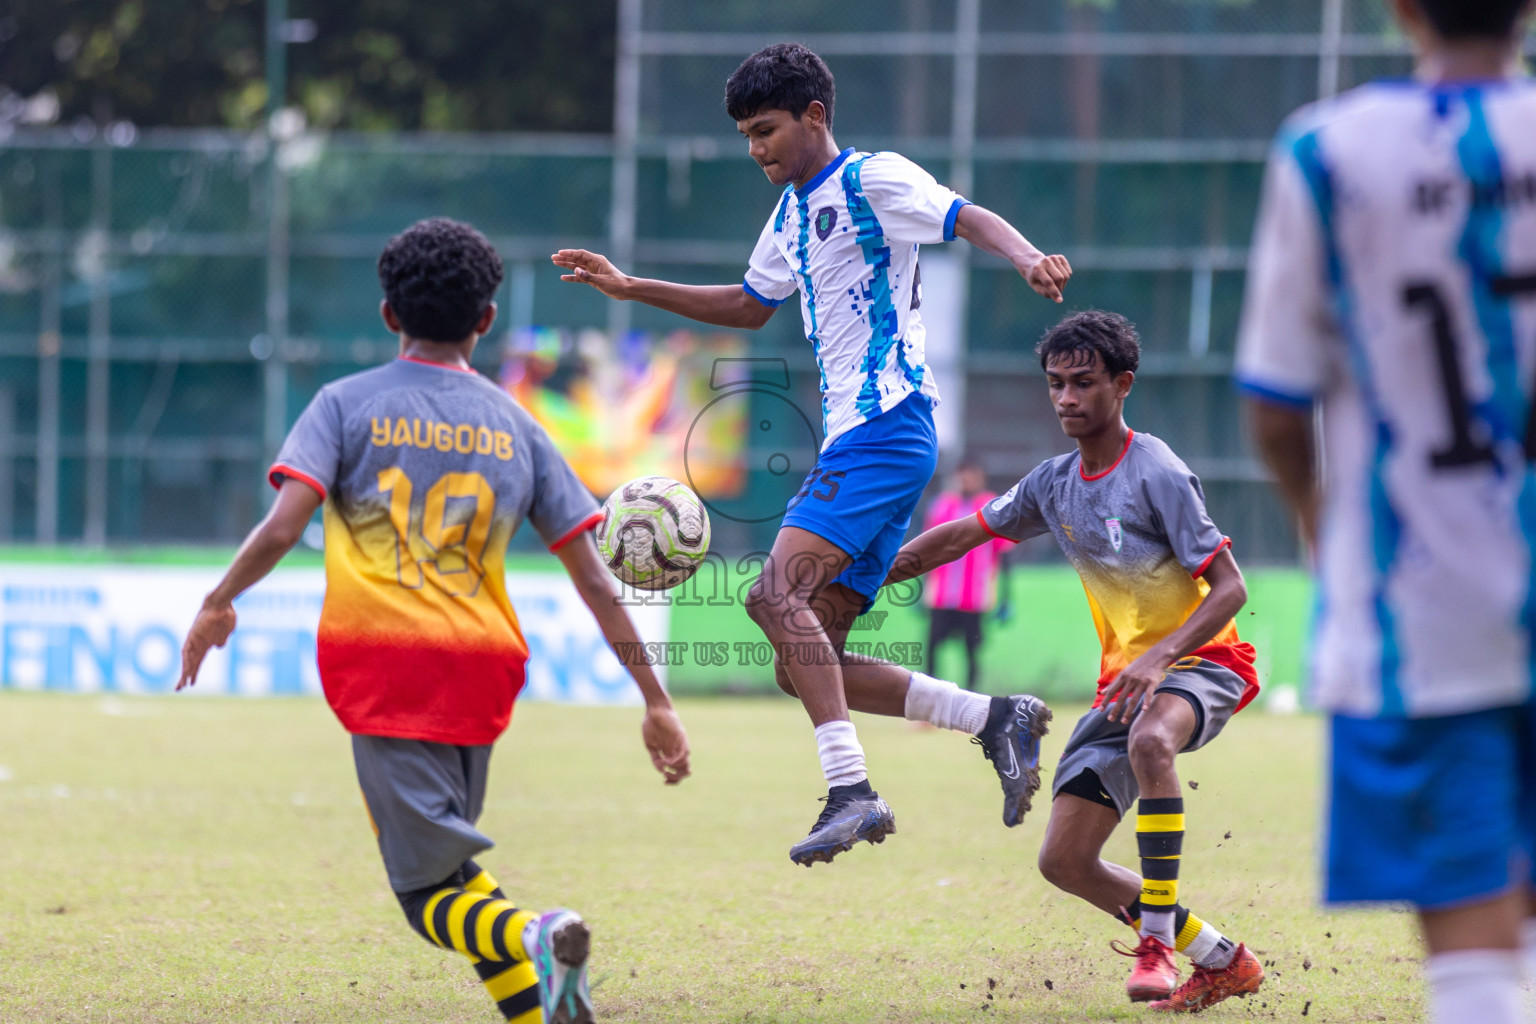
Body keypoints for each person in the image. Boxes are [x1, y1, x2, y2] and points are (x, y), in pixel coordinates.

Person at [553, 42, 1071, 867]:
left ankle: (851, 791)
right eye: (746, 136)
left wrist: (1025, 256)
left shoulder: (871, 180)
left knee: (770, 595)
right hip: (871, 441)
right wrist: (629, 286)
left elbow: (962, 213)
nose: (755, 149)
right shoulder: (791, 213)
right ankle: (993, 718)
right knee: (806, 662)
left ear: (815, 116)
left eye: (766, 131)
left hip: (886, 426)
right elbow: (750, 304)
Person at [178, 218, 692, 1024]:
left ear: (388, 314)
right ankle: (545, 1013)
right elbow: (593, 578)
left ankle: (537, 932)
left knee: (425, 896)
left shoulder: (342, 405)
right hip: (482, 667)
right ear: (486, 320)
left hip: (387, 666)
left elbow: (283, 527)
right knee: (449, 866)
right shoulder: (522, 428)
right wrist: (655, 699)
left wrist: (218, 602)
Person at [1236, 2, 1536, 1022]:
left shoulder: (1331, 150)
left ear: (1400, 8)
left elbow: (1276, 403)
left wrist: (1322, 524)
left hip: (1422, 605)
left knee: (1472, 950)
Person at [885, 311, 1266, 1011]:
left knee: (1155, 740)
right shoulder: (1051, 484)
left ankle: (1154, 939)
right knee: (1063, 861)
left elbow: (1232, 586)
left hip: (1204, 661)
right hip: (1126, 681)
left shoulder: (1159, 473)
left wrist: (1160, 658)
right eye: (1055, 384)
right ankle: (1222, 959)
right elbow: (958, 538)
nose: (1066, 398)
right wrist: (863, 576)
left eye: (1083, 383)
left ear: (1121, 385)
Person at [922, 456, 1014, 691]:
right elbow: (927, 549)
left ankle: (970, 703)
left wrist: (1006, 596)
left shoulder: (992, 507)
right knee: (933, 647)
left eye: (971, 474)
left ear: (980, 478)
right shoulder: (942, 505)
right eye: (962, 475)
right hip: (941, 594)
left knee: (971, 651)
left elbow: (1003, 553)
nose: (966, 480)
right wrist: (922, 589)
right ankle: (928, 703)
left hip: (973, 596)